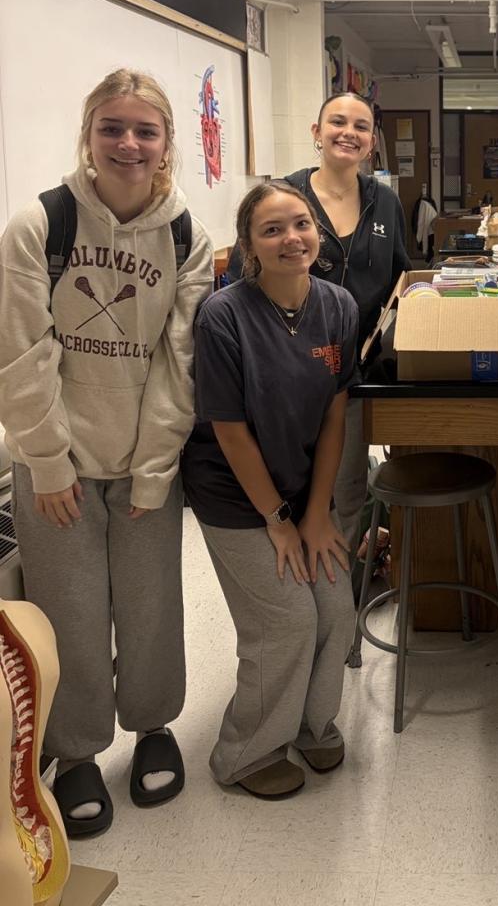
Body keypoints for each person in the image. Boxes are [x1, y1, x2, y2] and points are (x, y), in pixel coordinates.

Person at [0, 69, 213, 837]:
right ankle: (78, 750)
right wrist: (49, 462)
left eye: (144, 131)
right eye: (111, 128)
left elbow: (179, 362)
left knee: (152, 606)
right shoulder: (39, 224)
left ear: (166, 144)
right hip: (54, 465)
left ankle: (154, 726)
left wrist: (154, 470)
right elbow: (21, 353)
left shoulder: (186, 236)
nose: (128, 144)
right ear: (88, 135)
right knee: (70, 614)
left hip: (142, 462)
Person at [182, 180, 359, 799]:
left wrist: (316, 514)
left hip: (302, 490)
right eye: (272, 230)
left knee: (336, 610)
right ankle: (246, 751)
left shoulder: (338, 306)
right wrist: (279, 522)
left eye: (302, 224)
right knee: (286, 621)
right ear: (248, 246)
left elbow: (335, 416)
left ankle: (312, 724)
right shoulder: (223, 316)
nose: (292, 238)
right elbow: (229, 433)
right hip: (235, 495)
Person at [227, 91, 408, 555]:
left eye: (361, 126)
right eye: (338, 122)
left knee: (345, 488)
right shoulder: (284, 197)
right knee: (286, 483)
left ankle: (338, 580)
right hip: (285, 372)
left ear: (372, 142)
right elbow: (243, 282)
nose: (349, 133)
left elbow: (402, 281)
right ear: (317, 132)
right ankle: (290, 575)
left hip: (352, 373)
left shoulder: (385, 203)